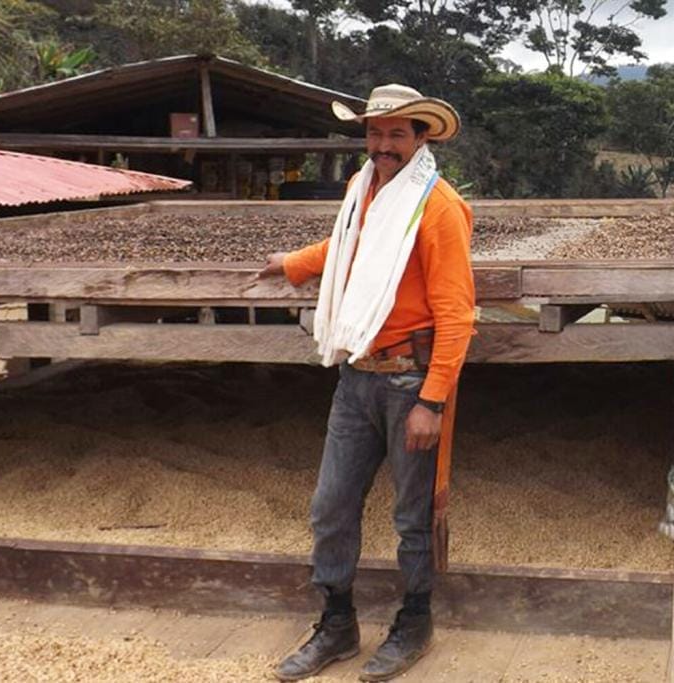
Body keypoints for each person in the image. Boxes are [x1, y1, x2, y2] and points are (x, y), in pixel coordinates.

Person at [258, 84, 475, 682]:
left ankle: (415, 621)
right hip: (357, 374)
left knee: (412, 516)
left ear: (421, 138)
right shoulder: (364, 191)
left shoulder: (437, 208)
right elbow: (352, 246)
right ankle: (337, 622)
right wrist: (295, 263)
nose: (383, 145)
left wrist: (431, 401)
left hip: (409, 379)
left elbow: (457, 315)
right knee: (331, 506)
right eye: (375, 133)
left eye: (396, 134)